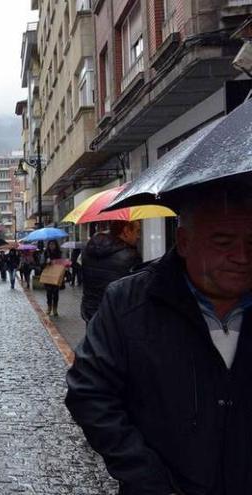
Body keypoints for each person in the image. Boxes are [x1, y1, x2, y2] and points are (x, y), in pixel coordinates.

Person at [65, 184, 252, 494]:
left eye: (251, 242)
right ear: (184, 242)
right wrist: (145, 477)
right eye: (223, 242)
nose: (242, 257)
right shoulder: (128, 302)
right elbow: (90, 393)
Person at [80, 221, 142, 322]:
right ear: (126, 231)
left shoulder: (88, 251)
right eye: (137, 231)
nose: (139, 236)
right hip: (116, 319)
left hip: (91, 314)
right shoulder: (130, 256)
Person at [43, 240, 63, 317]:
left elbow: (61, 263)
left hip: (56, 275)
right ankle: (49, 307)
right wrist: (46, 262)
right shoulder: (46, 253)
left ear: (56, 245)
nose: (51, 246)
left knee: (55, 293)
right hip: (48, 275)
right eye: (50, 244)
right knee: (48, 293)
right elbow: (41, 264)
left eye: (53, 244)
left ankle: (55, 308)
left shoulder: (59, 253)